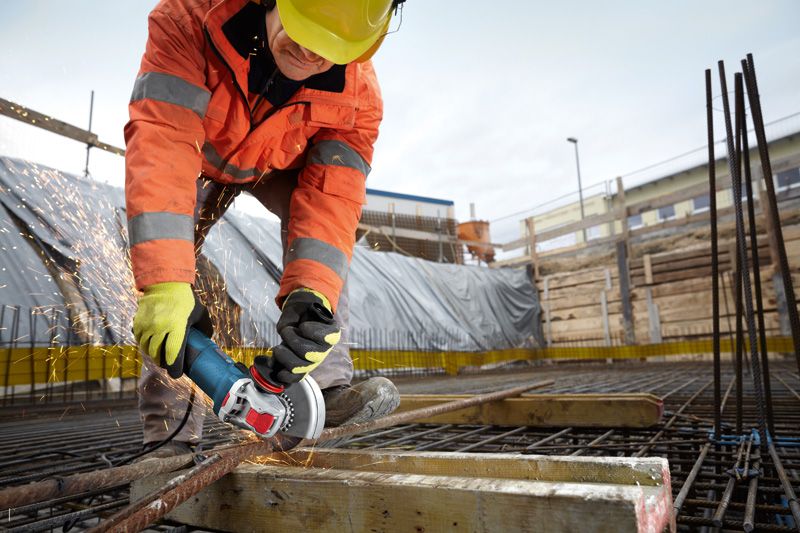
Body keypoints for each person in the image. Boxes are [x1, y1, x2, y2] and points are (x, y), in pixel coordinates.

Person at [125, 0, 402, 456]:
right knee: (167, 288)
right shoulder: (188, 17)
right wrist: (166, 283)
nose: (310, 56)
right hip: (195, 151)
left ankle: (324, 388)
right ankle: (170, 439)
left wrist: (312, 294)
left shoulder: (359, 93)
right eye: (301, 33)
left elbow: (331, 198)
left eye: (327, 49)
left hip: (278, 163)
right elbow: (164, 142)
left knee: (327, 260)